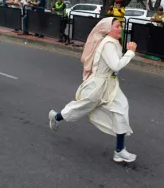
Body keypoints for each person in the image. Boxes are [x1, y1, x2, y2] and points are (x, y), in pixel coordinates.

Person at [48, 17, 138, 163]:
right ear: (108, 29)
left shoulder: (114, 42)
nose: (120, 28)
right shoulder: (108, 44)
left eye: (120, 26)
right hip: (97, 86)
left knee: (121, 109)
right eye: (116, 26)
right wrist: (130, 52)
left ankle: (119, 150)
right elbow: (116, 65)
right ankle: (56, 117)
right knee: (81, 108)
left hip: (110, 86)